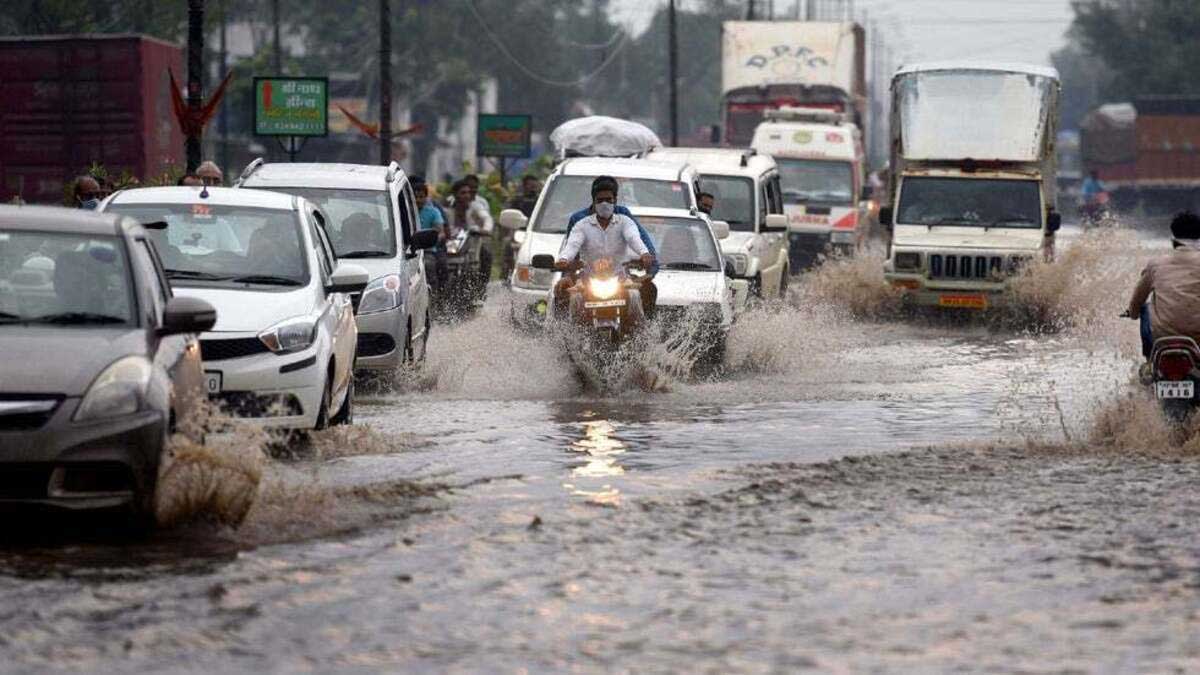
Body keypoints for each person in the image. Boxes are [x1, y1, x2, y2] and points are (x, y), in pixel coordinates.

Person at [554, 175, 657, 320]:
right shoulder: (580, 222)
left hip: (619, 277)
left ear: (615, 199)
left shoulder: (623, 218)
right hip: (588, 276)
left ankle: (643, 335)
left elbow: (635, 239)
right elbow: (572, 246)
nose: (604, 204)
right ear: (593, 200)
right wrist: (564, 266)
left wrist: (646, 258)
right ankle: (566, 336)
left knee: (642, 293)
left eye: (609, 200)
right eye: (600, 200)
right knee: (566, 294)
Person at [1126, 211, 1200, 373]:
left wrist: (1132, 313)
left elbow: (1137, 302)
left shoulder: (1156, 264)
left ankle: (1149, 362)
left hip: (1162, 337)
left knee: (1145, 307)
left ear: (1173, 237)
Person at [413, 179, 447, 290]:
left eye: (421, 197)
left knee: (429, 266)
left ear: (426, 197)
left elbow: (440, 232)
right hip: (407, 251)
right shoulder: (404, 211)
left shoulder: (433, 212)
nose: (418, 200)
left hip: (427, 251)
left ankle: (434, 297)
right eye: (415, 197)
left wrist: (432, 238)